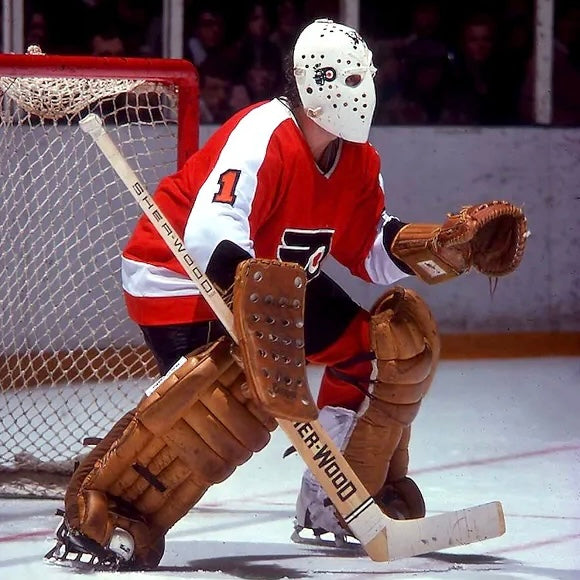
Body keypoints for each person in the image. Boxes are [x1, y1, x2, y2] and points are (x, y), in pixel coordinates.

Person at [48, 19, 526, 569]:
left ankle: (337, 503)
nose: (359, 92)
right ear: (313, 81)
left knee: (387, 346)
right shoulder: (264, 132)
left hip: (278, 283)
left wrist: (440, 247)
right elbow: (211, 233)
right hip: (177, 274)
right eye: (347, 79)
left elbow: (370, 248)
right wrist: (261, 333)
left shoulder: (358, 159)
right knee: (223, 397)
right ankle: (105, 510)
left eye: (363, 78)